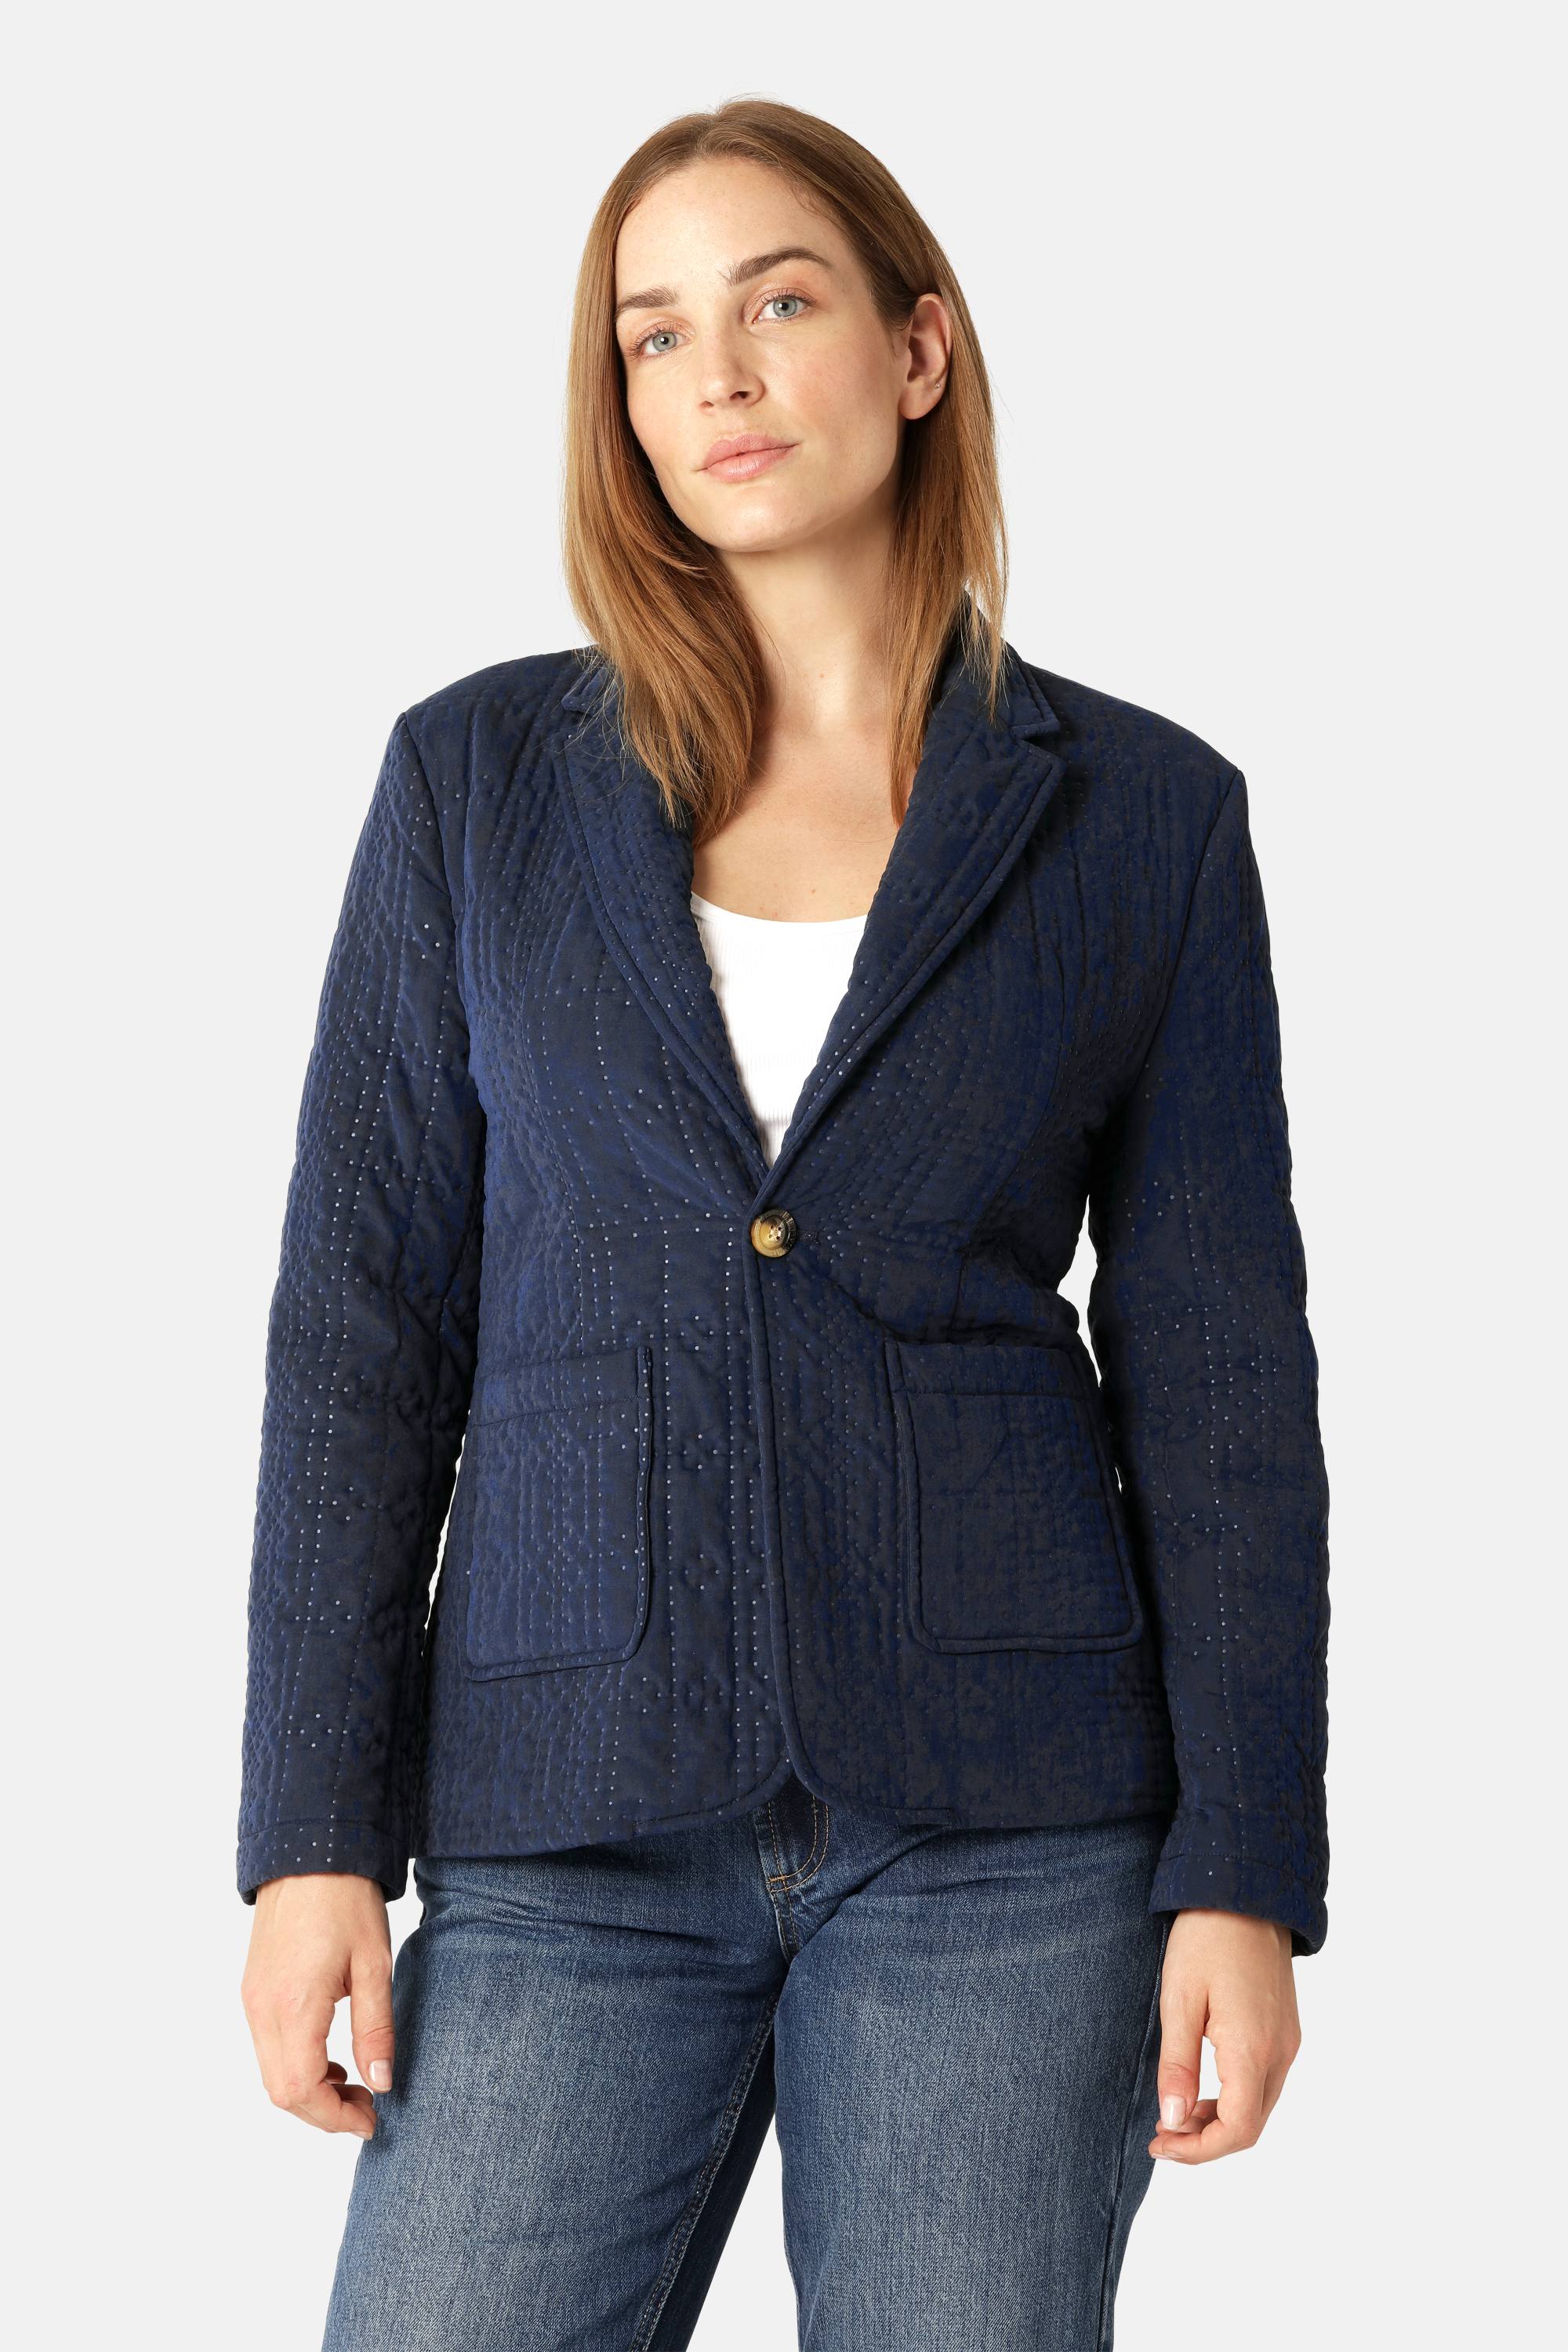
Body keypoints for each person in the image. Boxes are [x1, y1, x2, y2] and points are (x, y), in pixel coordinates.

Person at [238, 96, 1329, 2352]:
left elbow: (1223, 1376)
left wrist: (1246, 1866)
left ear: (918, 352)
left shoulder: (1144, 817)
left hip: (1011, 1831)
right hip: (565, 1816)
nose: (716, 377)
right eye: (654, 335)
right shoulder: (476, 785)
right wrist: (308, 1828)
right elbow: (365, 1320)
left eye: (780, 303)